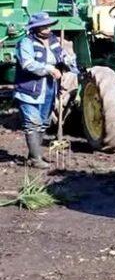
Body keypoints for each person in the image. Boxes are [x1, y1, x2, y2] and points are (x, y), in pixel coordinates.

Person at [14, 12, 73, 169]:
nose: (47, 29)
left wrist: (67, 62)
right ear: (35, 28)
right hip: (29, 89)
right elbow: (28, 64)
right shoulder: (25, 43)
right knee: (32, 123)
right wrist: (49, 69)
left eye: (48, 25)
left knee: (43, 123)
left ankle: (34, 154)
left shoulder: (54, 41)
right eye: (43, 26)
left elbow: (62, 56)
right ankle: (35, 159)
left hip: (48, 88)